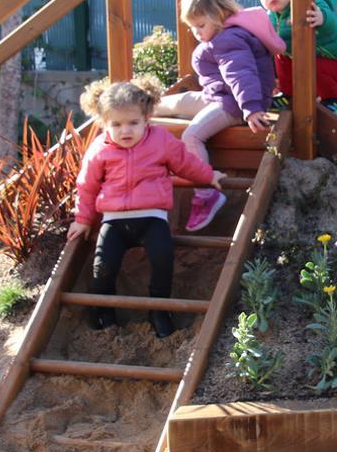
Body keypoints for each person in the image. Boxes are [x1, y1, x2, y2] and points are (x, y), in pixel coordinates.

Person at [70, 77, 227, 338]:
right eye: (116, 125)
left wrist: (208, 176)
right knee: (102, 267)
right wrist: (83, 219)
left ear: (147, 118)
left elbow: (185, 163)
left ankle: (159, 311)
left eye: (133, 123)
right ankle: (104, 311)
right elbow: (87, 185)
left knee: (163, 258)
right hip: (113, 221)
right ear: (104, 123)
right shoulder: (99, 149)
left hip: (152, 218)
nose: (125, 131)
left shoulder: (161, 141)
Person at [154, 0, 282, 231]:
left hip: (235, 104)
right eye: (192, 27)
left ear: (220, 14)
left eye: (201, 25)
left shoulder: (229, 39)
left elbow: (240, 74)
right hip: (218, 95)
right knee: (177, 102)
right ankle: (146, 107)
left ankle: (206, 193)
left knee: (192, 136)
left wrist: (252, 108)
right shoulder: (225, 35)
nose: (197, 32)